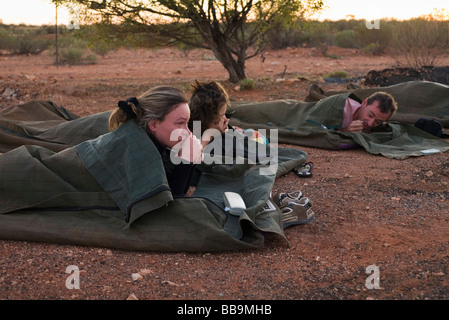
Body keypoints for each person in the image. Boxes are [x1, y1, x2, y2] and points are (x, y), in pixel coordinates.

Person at [109, 86, 203, 196]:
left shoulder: (151, 143)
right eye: (180, 123)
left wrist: (189, 160)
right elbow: (167, 204)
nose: (188, 132)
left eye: (187, 124)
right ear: (154, 124)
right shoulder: (138, 151)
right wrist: (185, 161)